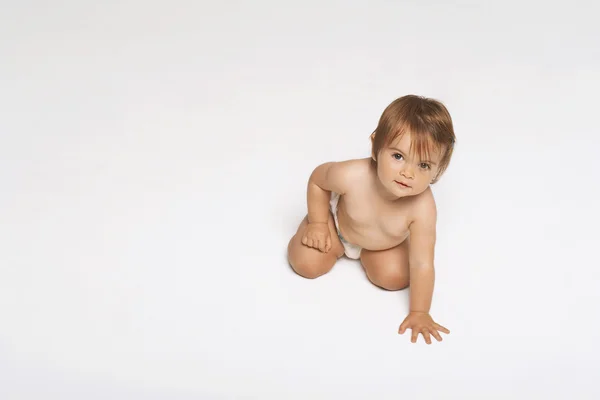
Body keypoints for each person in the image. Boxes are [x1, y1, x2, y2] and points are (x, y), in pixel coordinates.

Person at [287, 95, 456, 344]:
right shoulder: (352, 175)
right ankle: (326, 234)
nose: (408, 173)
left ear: (438, 169)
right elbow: (317, 180)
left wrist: (420, 312)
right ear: (376, 147)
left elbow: (422, 263)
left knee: (395, 278)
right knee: (306, 264)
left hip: (381, 244)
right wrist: (318, 223)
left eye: (423, 165)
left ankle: (371, 254)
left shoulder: (422, 208)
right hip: (338, 227)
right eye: (398, 156)